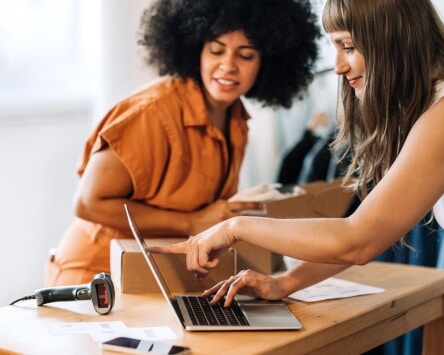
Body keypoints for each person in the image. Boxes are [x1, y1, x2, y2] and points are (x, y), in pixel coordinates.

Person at [149, 0, 444, 353]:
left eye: (348, 46)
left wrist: (234, 227)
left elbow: (359, 240)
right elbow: (366, 228)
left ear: (393, 38)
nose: (337, 66)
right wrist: (285, 282)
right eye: (334, 47)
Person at [44, 0, 321, 287]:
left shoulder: (236, 119)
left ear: (267, 62)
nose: (228, 66)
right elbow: (88, 203)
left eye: (246, 55)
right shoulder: (151, 113)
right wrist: (192, 221)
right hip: (95, 276)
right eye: (216, 50)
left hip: (153, 278)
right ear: (196, 49)